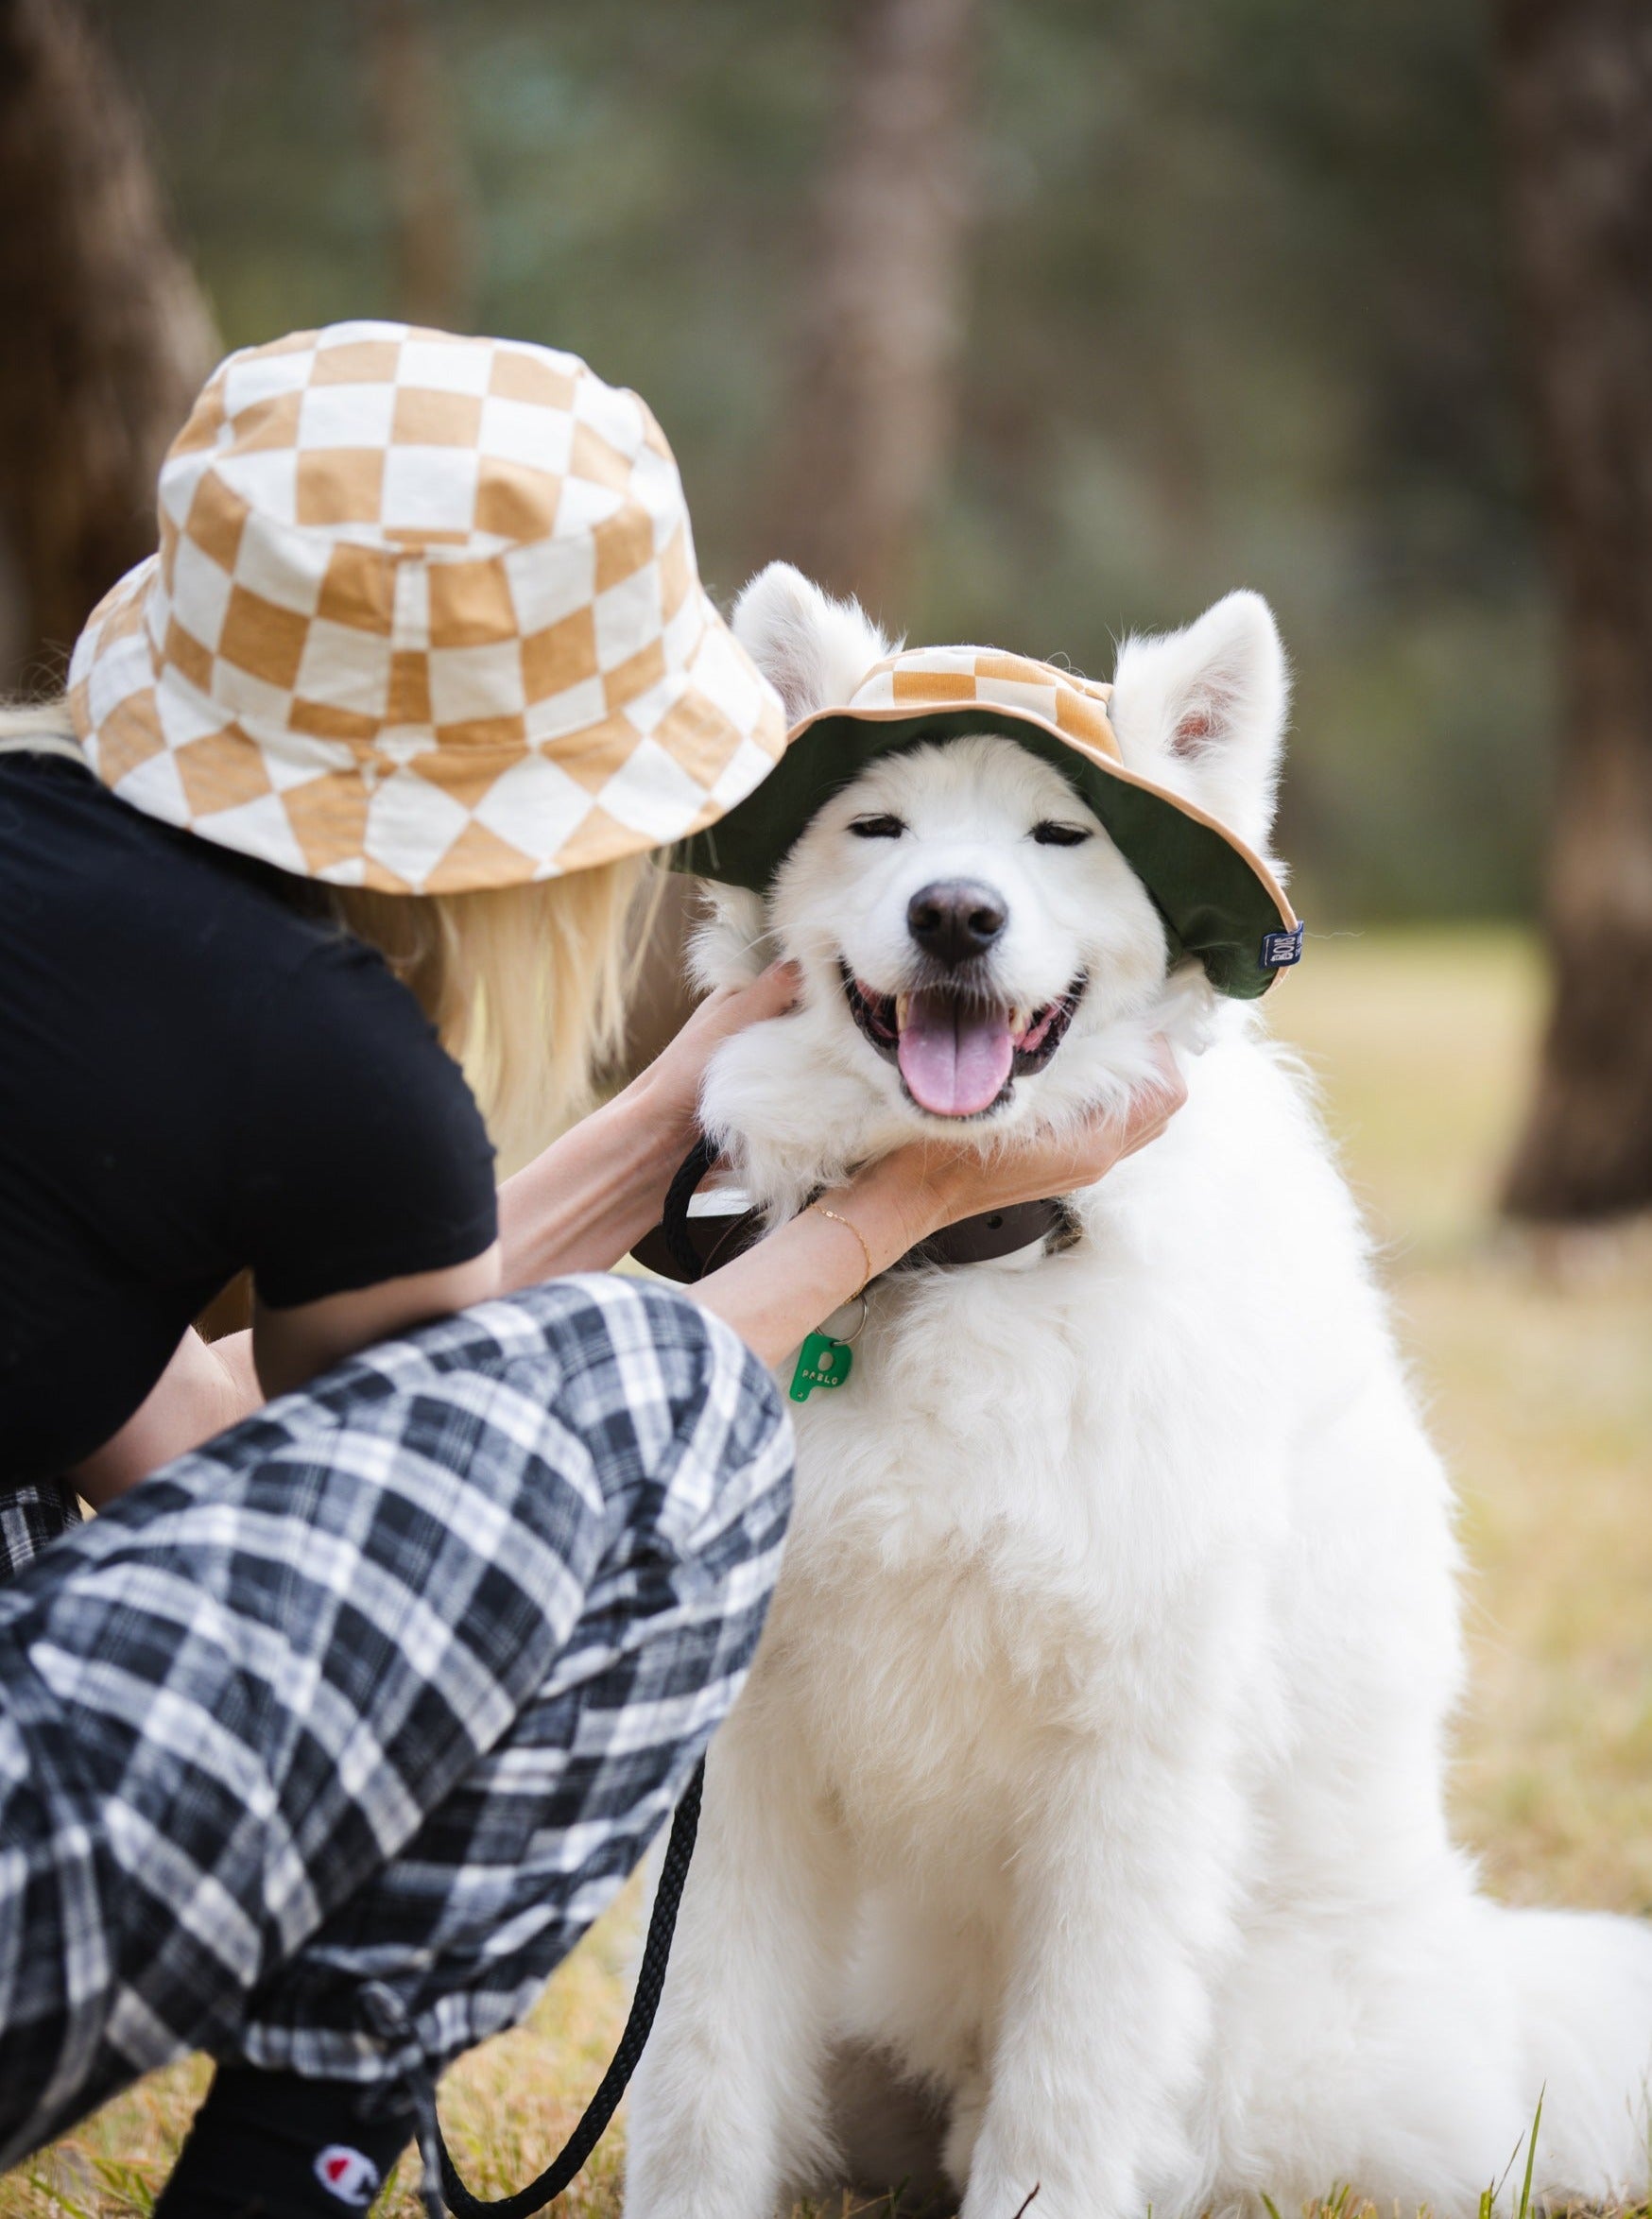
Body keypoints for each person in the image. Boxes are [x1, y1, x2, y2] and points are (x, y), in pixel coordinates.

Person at [0, 323, 1182, 2216]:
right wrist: (885, 1213)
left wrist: (670, 1114)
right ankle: (276, 2175)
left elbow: (221, 1440)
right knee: (664, 1421)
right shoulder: (323, 1055)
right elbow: (510, 1495)